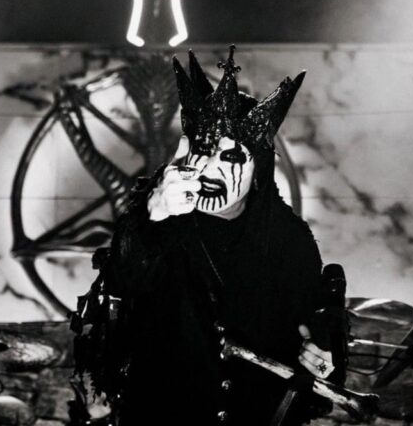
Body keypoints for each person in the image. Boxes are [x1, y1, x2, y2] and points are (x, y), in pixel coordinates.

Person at [80, 46, 345, 426]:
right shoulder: (157, 219)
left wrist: (324, 354)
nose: (209, 168)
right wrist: (153, 218)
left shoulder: (289, 239)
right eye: (202, 150)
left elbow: (316, 333)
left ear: (258, 169)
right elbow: (122, 282)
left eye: (231, 157)